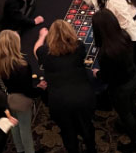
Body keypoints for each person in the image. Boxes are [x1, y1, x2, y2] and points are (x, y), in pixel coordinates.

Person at [34, 21, 96, 153]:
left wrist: (41, 37)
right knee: (87, 126)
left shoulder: (44, 52)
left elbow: (36, 50)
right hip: (83, 97)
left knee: (68, 131)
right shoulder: (79, 46)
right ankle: (91, 149)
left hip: (59, 101)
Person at [92, 9, 136, 153]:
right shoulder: (124, 35)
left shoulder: (105, 52)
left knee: (125, 113)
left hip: (120, 87)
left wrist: (97, 74)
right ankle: (130, 120)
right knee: (130, 104)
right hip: (133, 76)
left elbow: (108, 77)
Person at [0, 30, 44, 153]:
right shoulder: (22, 66)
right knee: (24, 128)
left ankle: (19, 149)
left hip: (3, 101)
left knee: (13, 124)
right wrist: (40, 88)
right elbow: (29, 92)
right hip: (20, 102)